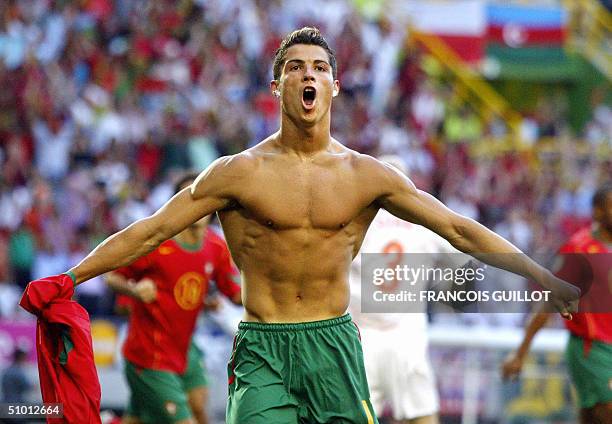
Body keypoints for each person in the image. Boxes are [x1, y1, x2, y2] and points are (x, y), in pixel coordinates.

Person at [24, 27, 579, 424]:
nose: (307, 75)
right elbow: (148, 231)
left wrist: (541, 277)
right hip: (264, 346)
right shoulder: (237, 174)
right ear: (277, 87)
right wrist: (70, 279)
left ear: (334, 87)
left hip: (335, 345)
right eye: (295, 67)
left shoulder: (368, 176)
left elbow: (459, 229)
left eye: (318, 68)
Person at [105, 174, 242, 424]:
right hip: (150, 355)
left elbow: (236, 294)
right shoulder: (157, 243)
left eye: (202, 197)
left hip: (185, 349)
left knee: (198, 407)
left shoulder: (216, 246)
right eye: (188, 197)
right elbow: (113, 278)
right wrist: (135, 291)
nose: (196, 204)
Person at [349, 155, 465, 424]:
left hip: (359, 338)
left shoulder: (355, 221)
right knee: (421, 416)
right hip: (407, 337)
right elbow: (460, 261)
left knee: (355, 417)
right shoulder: (425, 223)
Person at [502, 184, 612, 424]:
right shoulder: (579, 250)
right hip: (593, 351)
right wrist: (520, 353)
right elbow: (548, 304)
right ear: (597, 212)